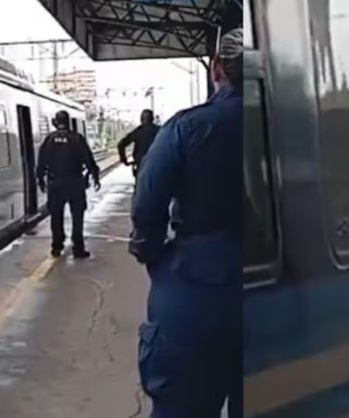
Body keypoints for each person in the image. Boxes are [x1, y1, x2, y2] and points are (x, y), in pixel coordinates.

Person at [129, 28, 243, 418]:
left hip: (196, 287)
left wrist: (152, 255)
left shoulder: (185, 128)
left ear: (217, 68)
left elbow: (147, 206)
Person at [36, 110, 101, 259]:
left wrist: (40, 179)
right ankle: (78, 248)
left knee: (56, 216)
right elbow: (88, 159)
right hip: (75, 183)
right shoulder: (77, 138)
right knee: (77, 216)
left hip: (55, 183)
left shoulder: (49, 139)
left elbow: (41, 162)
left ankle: (57, 246)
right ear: (68, 121)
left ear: (56, 122)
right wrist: (95, 176)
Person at [117, 109, 160, 178]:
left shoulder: (138, 131)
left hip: (141, 166)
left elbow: (121, 144)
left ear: (141, 119)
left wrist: (124, 160)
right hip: (158, 167)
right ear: (152, 119)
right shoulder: (160, 131)